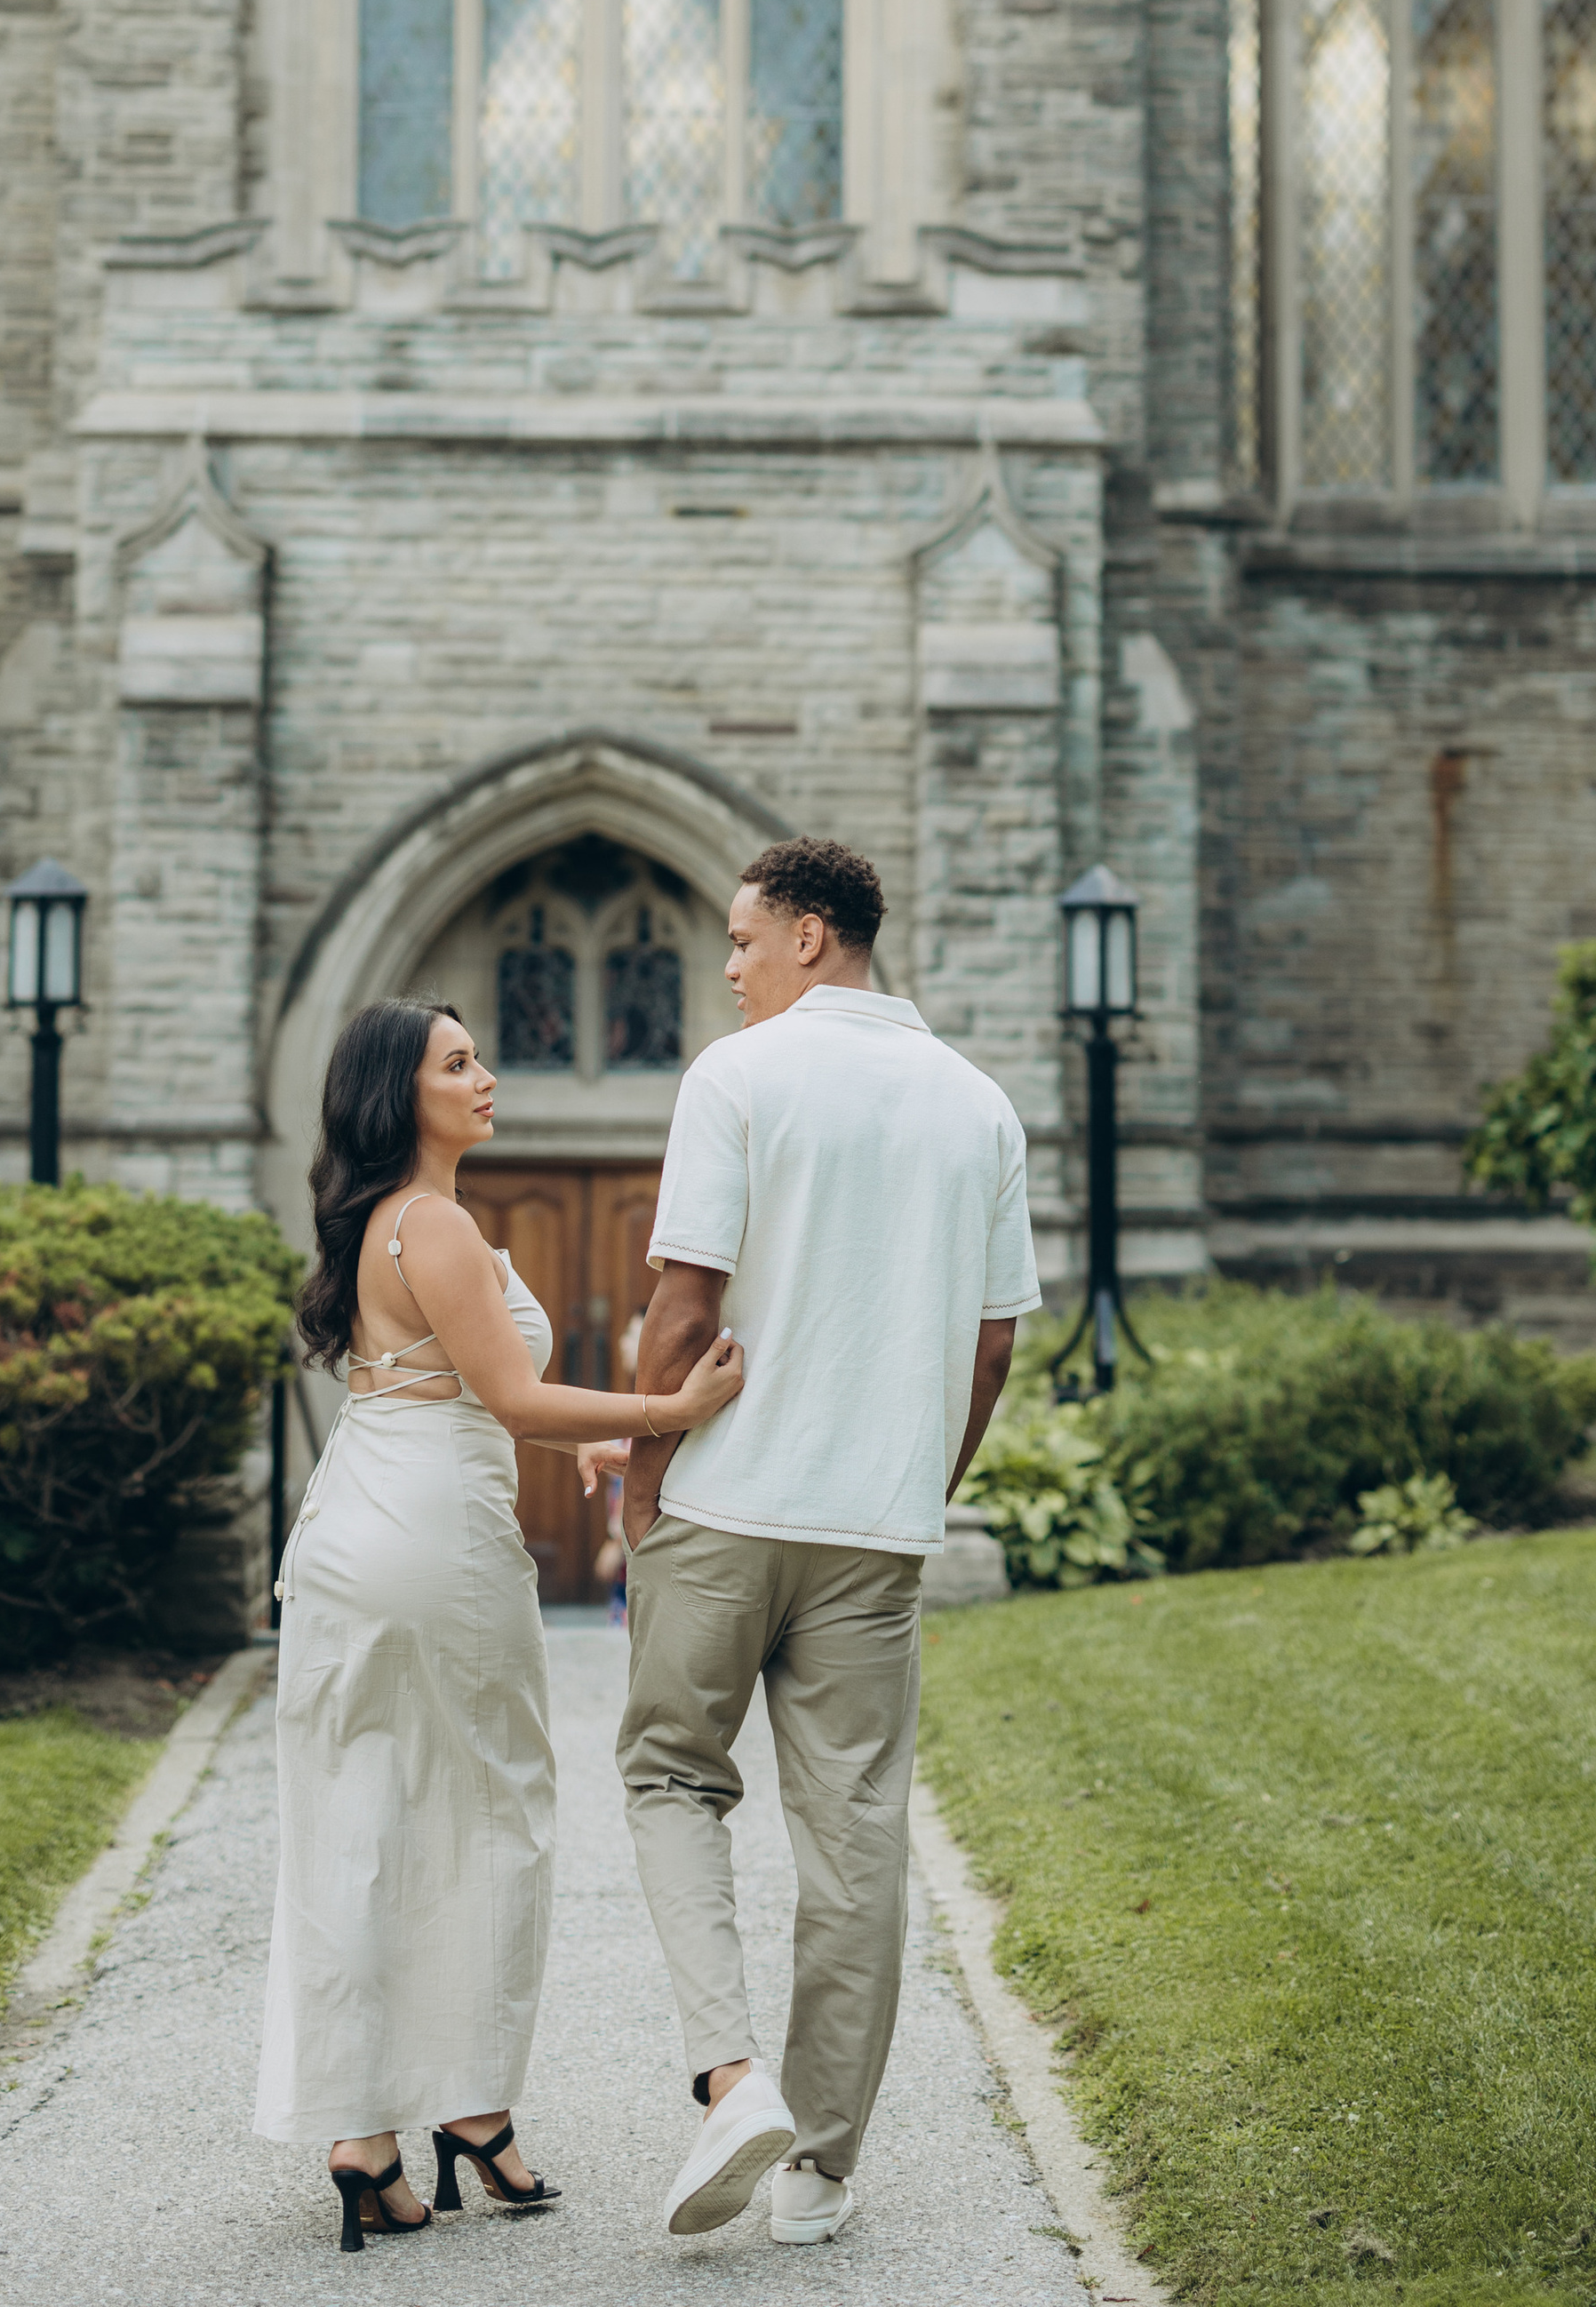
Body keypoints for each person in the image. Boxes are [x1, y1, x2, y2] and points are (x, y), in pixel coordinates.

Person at [254, 997, 744, 2252]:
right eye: (458, 1064)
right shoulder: (438, 1224)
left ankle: (365, 2138)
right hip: (435, 1543)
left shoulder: (379, 1220)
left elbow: (454, 1390)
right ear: (399, 1094)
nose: (487, 1078)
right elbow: (515, 1399)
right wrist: (667, 1411)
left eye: (480, 1058)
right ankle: (473, 2108)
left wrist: (595, 1439)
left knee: (361, 1816)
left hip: (355, 1526)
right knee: (495, 1813)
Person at [608, 837, 1039, 2247]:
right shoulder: (979, 1105)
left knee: (671, 1775)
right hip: (874, 1535)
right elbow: (992, 1347)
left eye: (743, 941)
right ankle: (819, 2173)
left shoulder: (738, 1076)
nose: (729, 966)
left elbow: (684, 1308)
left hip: (725, 1506)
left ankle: (732, 2080)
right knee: (856, 1837)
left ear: (809, 935)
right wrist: (920, 1481)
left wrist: (641, 1480)